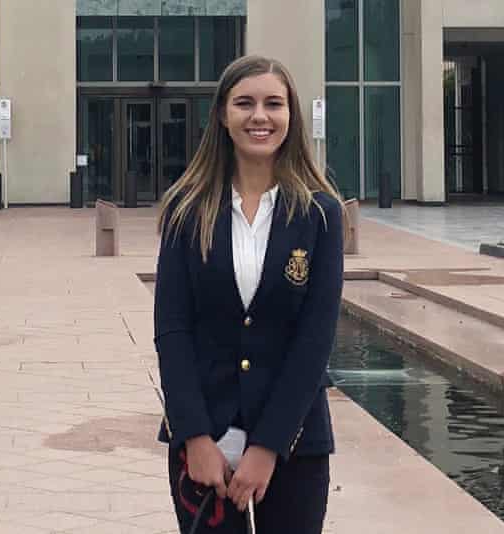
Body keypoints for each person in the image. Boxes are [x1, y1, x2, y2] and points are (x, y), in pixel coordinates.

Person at [153, 55, 345, 534]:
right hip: (204, 446)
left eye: (273, 104)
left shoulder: (320, 214)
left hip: (295, 444)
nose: (260, 116)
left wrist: (268, 447)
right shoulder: (186, 209)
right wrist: (194, 436)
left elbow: (315, 340)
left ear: (290, 116)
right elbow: (172, 331)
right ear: (222, 114)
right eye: (245, 103)